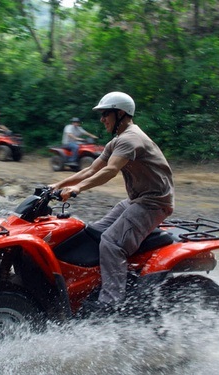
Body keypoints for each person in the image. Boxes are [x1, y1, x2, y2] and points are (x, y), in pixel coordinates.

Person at [50, 91, 174, 315]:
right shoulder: (117, 141)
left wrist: (78, 188)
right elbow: (91, 169)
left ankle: (111, 304)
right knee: (92, 232)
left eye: (105, 114)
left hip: (153, 203)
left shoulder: (130, 139)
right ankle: (92, 286)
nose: (101, 119)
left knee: (110, 243)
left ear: (120, 114)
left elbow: (109, 171)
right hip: (137, 200)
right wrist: (57, 185)